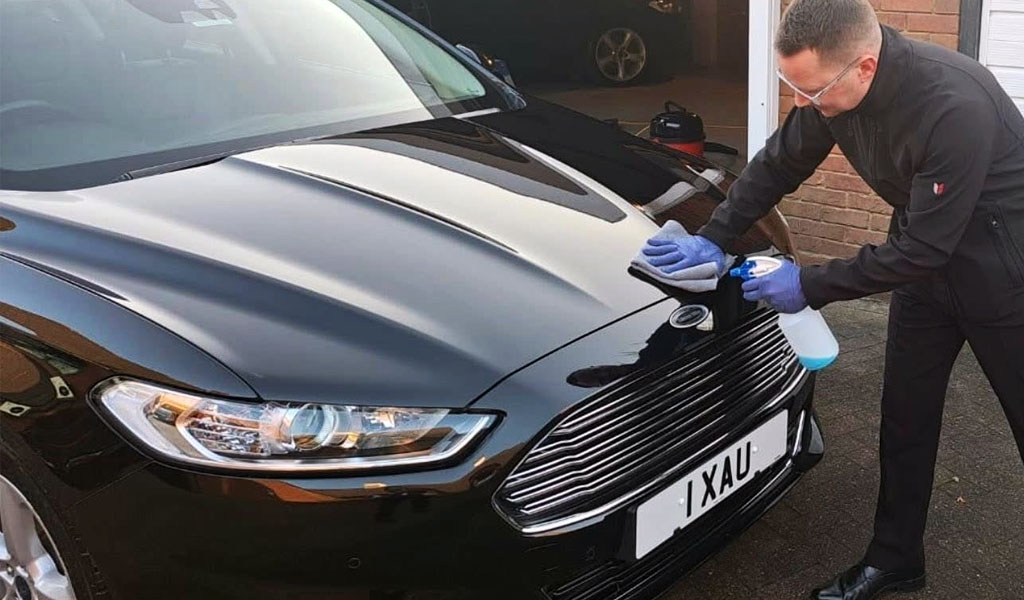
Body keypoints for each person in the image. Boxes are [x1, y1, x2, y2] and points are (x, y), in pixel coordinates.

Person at [639, 0, 1024, 598]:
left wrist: (808, 285)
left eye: (811, 90)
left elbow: (927, 248)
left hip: (1003, 276)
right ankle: (895, 561)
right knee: (905, 419)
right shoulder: (829, 89)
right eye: (791, 85)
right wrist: (712, 238)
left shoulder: (954, 104)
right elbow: (777, 165)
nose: (801, 102)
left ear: (864, 68)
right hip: (924, 272)